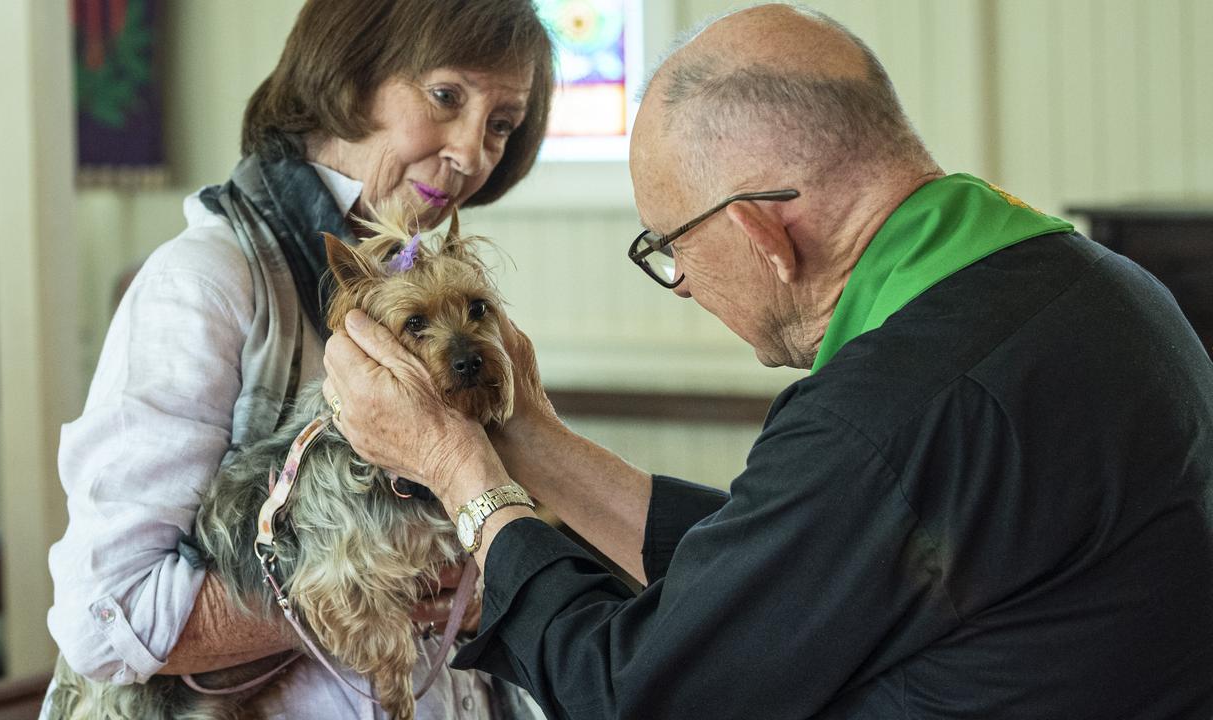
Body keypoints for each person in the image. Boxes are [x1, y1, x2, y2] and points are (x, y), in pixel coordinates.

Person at [321, 4, 1213, 718]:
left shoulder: (881, 415)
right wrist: (536, 442)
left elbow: (631, 691)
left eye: (667, 248)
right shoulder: (1104, 286)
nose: (679, 285)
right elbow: (789, 560)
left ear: (759, 233)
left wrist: (457, 470)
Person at [45, 1, 552, 717]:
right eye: (446, 97)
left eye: (501, 125)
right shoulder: (203, 282)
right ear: (350, 76)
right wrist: (384, 585)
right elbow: (109, 615)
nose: (472, 153)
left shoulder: (439, 292)